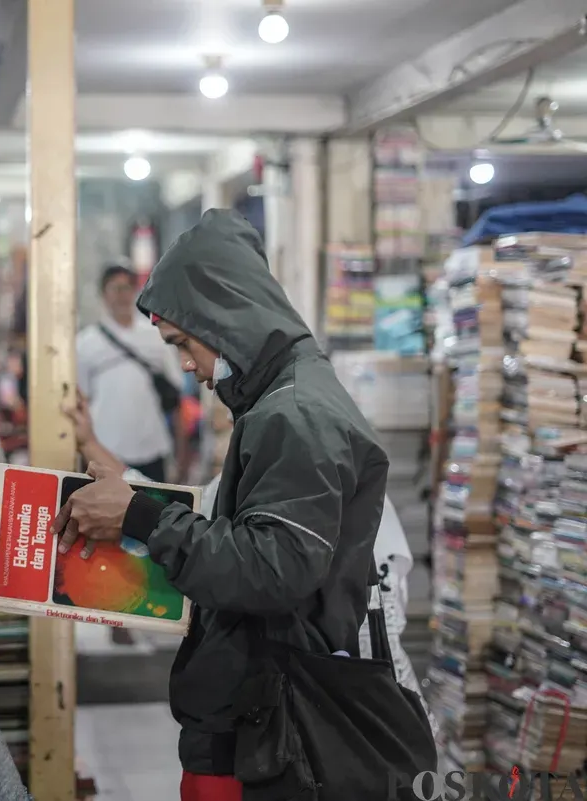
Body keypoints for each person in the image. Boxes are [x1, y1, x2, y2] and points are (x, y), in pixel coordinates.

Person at [53, 209, 391, 801]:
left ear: (225, 318)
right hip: (260, 703)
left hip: (273, 719)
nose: (185, 364)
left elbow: (273, 568)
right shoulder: (281, 400)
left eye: (184, 344)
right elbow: (250, 528)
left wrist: (140, 516)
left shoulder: (294, 413)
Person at [76, 264, 182, 483]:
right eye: (115, 289)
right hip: (106, 449)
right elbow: (82, 399)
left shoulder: (156, 336)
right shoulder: (85, 343)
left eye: (126, 288)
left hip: (152, 447)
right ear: (103, 295)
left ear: (135, 291)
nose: (121, 296)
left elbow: (177, 396)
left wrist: (182, 454)